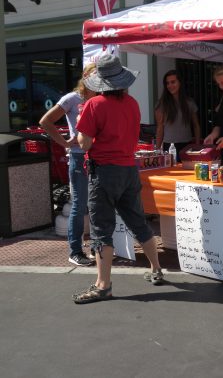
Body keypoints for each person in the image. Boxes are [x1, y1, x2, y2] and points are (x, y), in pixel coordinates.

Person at [72, 55, 164, 304]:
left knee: (102, 229)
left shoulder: (94, 105)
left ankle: (103, 285)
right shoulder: (133, 103)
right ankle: (156, 268)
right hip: (128, 169)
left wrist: (81, 134)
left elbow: (84, 142)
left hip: (103, 171)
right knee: (138, 221)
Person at [39, 64, 97, 267]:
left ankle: (95, 248)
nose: (96, 77)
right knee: (79, 205)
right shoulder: (72, 98)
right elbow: (45, 121)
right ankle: (75, 250)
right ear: (84, 76)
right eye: (92, 73)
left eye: (99, 74)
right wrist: (64, 142)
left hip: (97, 157)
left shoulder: (100, 98)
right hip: (79, 157)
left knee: (95, 204)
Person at [154, 70, 201, 161]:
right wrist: (157, 150)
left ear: (180, 83)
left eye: (173, 82)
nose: (170, 86)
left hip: (187, 146)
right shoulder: (161, 104)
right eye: (167, 83)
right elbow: (160, 128)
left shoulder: (189, 102)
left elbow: (196, 125)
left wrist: (197, 145)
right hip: (169, 146)